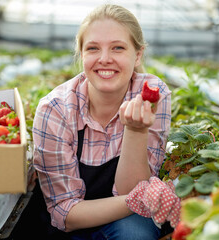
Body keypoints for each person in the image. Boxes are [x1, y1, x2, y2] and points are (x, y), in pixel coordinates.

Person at [13, 4, 173, 240]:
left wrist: (136, 130)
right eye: (93, 48)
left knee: (135, 234)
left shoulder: (151, 94)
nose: (105, 59)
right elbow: (64, 214)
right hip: (67, 227)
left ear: (137, 54)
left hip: (125, 221)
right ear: (82, 54)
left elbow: (132, 189)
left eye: (118, 48)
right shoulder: (55, 109)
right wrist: (142, 197)